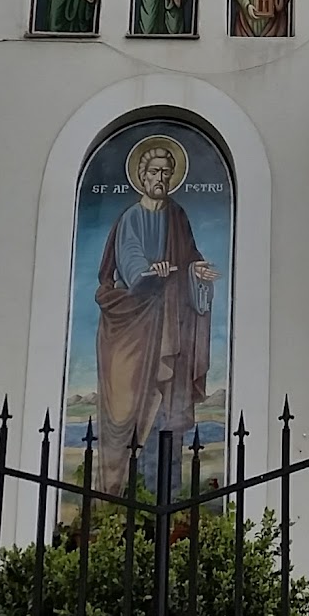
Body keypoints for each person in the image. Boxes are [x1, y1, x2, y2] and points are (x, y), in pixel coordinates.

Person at [94, 140, 218, 495]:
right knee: (136, 409)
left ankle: (169, 499)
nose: (160, 177)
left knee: (169, 414)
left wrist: (200, 273)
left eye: (166, 171)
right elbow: (130, 260)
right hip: (138, 327)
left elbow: (191, 257)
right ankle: (130, 498)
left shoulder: (177, 214)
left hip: (172, 325)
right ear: (141, 176)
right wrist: (149, 271)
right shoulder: (131, 217)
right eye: (154, 171)